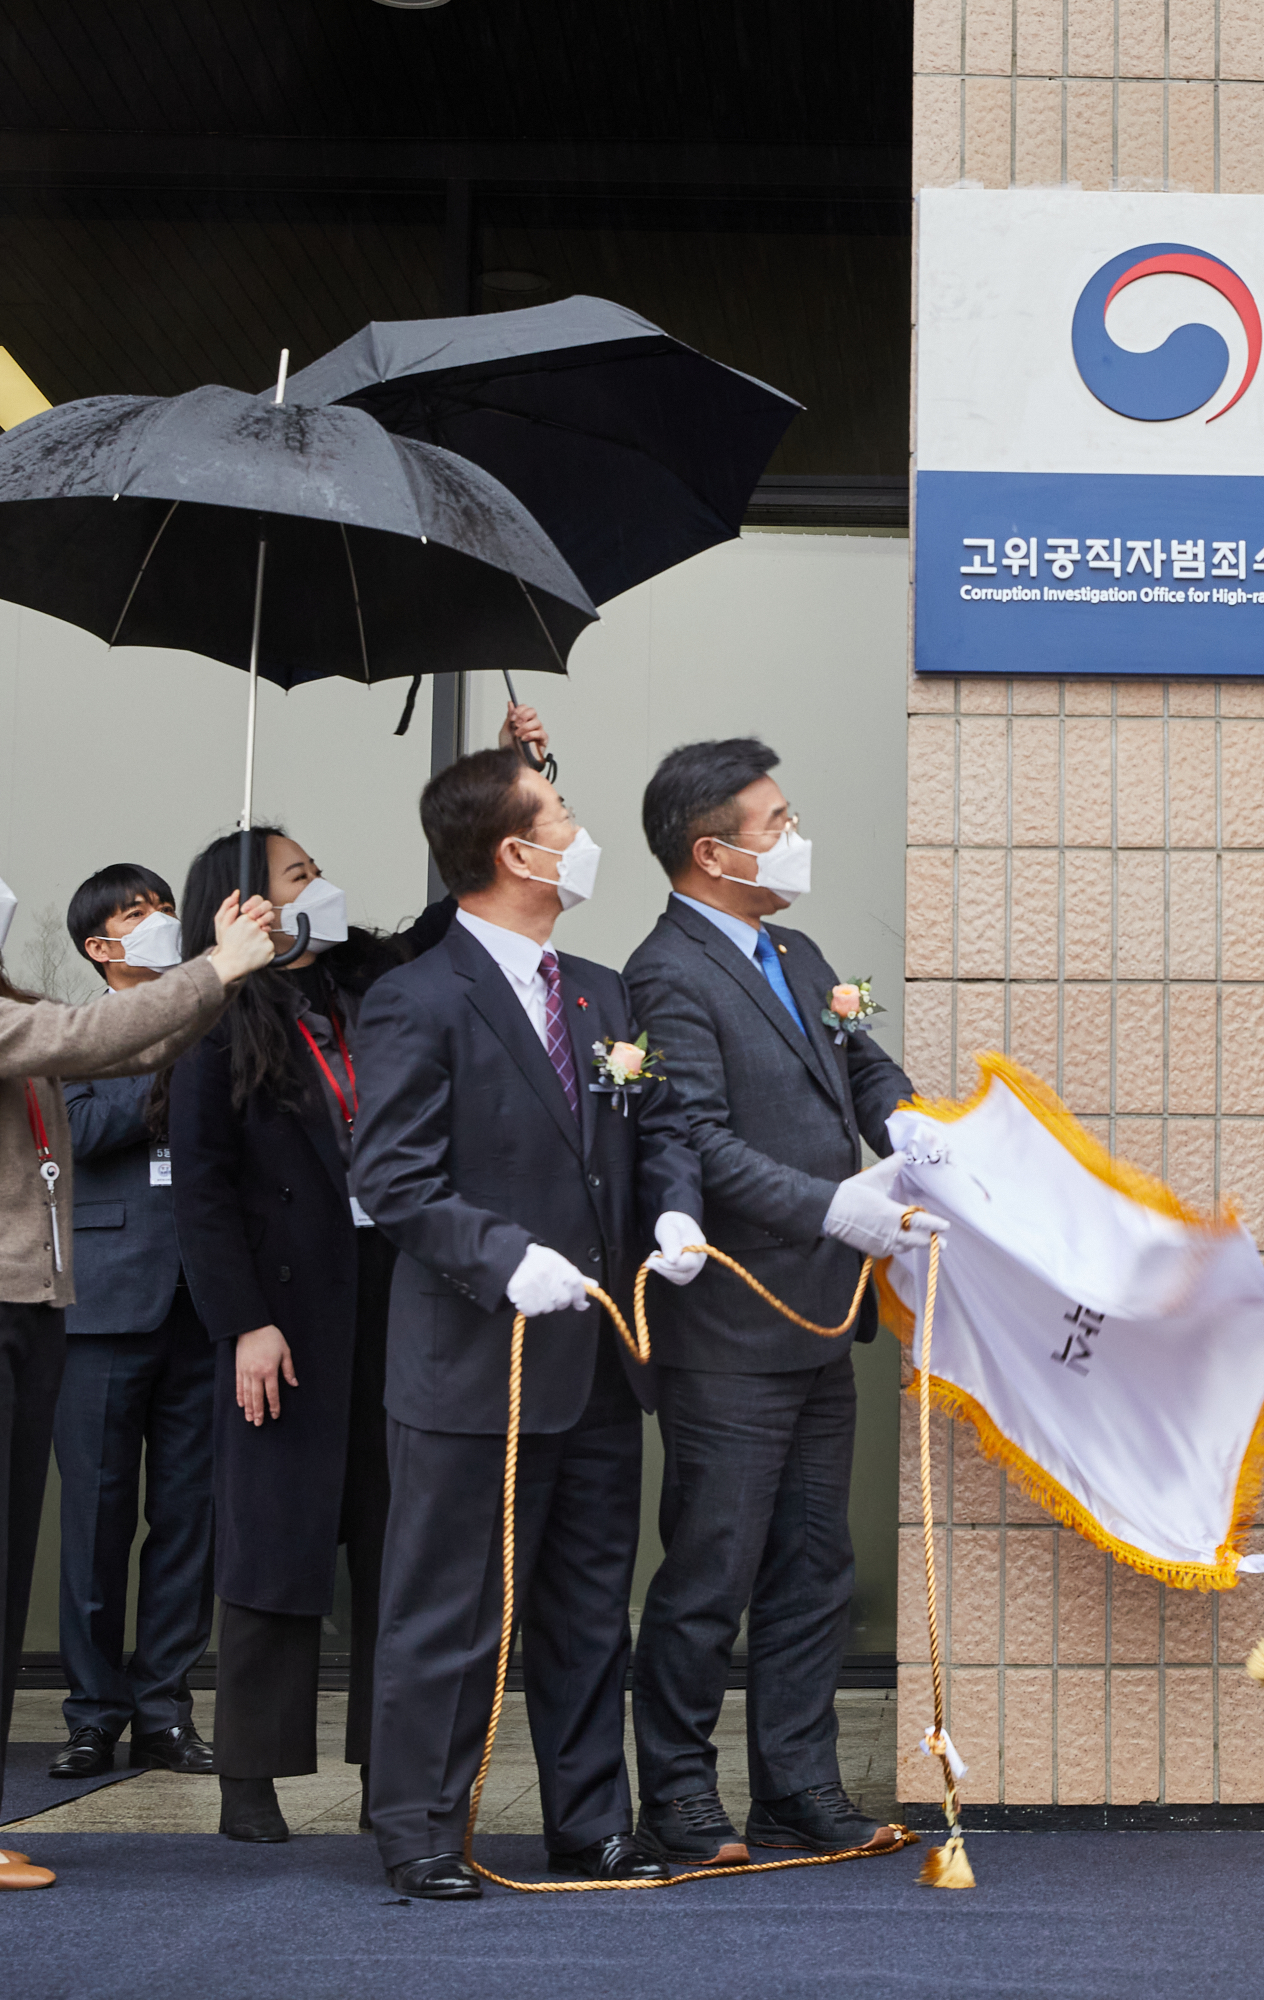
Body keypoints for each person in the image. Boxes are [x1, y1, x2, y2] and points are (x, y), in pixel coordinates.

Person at [0, 804, 274, 1892]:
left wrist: (222, 970)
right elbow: (84, 1042)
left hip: (19, 1307)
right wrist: (215, 963)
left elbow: (135, 1036)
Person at [352, 747, 709, 1899]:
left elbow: (656, 1130)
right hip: (475, 1364)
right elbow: (394, 1176)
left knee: (587, 1608)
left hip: (600, 1357)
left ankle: (590, 1822)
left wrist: (677, 1215)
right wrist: (503, 1256)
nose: (578, 830)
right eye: (562, 812)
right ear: (516, 852)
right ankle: (417, 1824)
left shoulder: (602, 990)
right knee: (446, 1606)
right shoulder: (415, 993)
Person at [621, 738, 934, 1866]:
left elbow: (859, 1061)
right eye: (776, 821)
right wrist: (831, 1207)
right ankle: (680, 1794)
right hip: (731, 1324)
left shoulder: (794, 948)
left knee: (814, 1564)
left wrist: (905, 1119)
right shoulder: (665, 971)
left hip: (818, 1316)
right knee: (714, 1565)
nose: (794, 837)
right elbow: (695, 1137)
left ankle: (798, 1786)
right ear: (713, 851)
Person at [170, 823, 432, 1843]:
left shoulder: (376, 988)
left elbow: (457, 912)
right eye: (295, 876)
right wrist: (244, 1323)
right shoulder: (217, 1018)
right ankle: (252, 1778)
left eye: (315, 871)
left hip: (395, 1294)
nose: (318, 886)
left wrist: (526, 782)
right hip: (283, 1311)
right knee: (273, 1547)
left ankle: (392, 1776)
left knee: (396, 1546)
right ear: (242, 906)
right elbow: (203, 1191)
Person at [45, 865, 218, 1785]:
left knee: (189, 1519)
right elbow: (67, 1128)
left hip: (206, 1303)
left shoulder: (218, 1019)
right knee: (96, 1521)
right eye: (136, 916)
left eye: (163, 909)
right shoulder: (69, 1032)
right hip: (104, 1302)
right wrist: (160, 1063)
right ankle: (90, 1713)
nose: (158, 924)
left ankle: (166, 1710)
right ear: (100, 948)